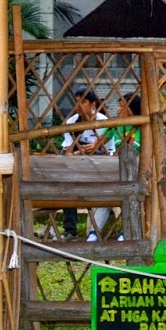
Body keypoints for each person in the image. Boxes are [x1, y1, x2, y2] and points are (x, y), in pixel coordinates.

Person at [60, 89, 114, 240]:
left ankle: (95, 230)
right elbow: (67, 150)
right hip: (75, 163)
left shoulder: (104, 122)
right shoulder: (71, 122)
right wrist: (81, 150)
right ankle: (70, 230)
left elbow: (108, 150)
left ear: (93, 104)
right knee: (67, 186)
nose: (78, 105)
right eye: (76, 101)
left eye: (83, 102)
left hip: (99, 164)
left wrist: (94, 148)